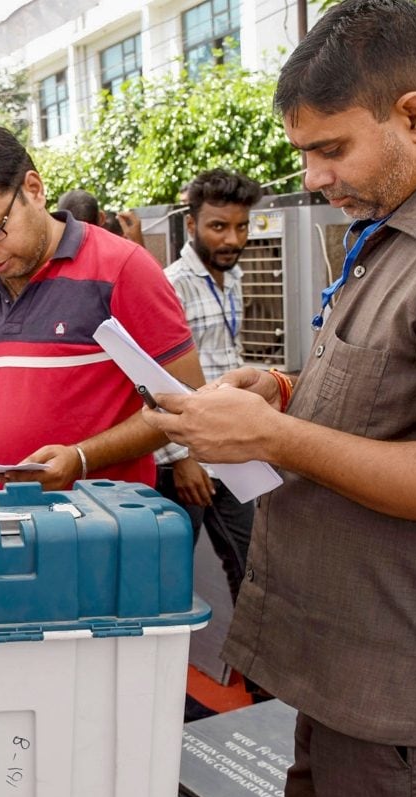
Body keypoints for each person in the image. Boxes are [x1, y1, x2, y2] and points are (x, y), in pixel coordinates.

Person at [142, 1, 416, 796]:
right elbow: (392, 392)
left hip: (402, 682)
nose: (313, 179)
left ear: (414, 115)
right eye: (305, 153)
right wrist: (284, 390)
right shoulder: (400, 222)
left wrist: (273, 438)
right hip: (352, 659)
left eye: (330, 149)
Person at [0, 127, 204, 502]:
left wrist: (83, 458)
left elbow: (185, 400)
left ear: (34, 190)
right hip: (2, 523)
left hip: (105, 527)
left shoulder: (123, 268)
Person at [157, 169, 262, 604]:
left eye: (241, 227)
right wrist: (182, 458)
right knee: (171, 580)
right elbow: (153, 379)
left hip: (231, 450)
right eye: (219, 227)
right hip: (187, 460)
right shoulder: (171, 285)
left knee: (254, 570)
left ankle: (254, 670)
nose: (232, 239)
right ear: (193, 225)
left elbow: (223, 357)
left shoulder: (231, 277)